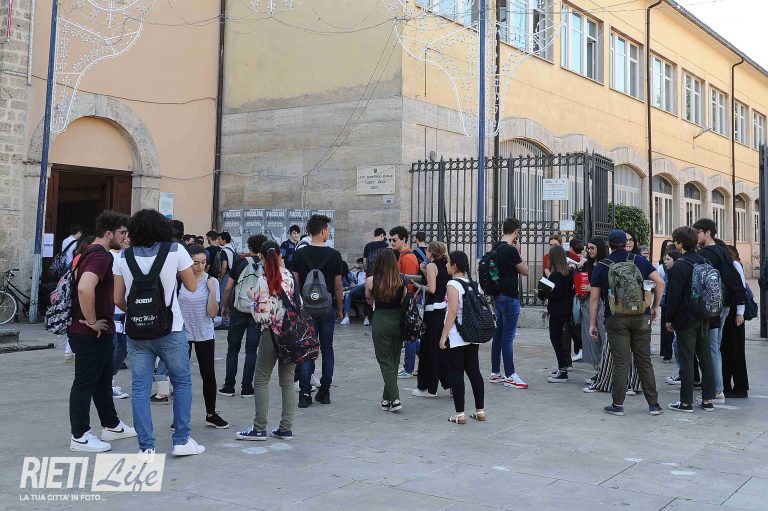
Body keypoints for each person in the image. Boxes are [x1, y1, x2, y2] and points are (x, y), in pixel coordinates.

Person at [114, 209, 205, 456]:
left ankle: (146, 447)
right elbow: (192, 286)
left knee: (140, 388)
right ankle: (181, 440)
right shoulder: (175, 251)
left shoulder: (123, 256)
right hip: (170, 329)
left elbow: (118, 299)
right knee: (182, 382)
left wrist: (138, 311)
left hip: (136, 331)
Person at [67, 212, 136, 452]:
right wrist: (91, 321)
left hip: (97, 332)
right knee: (85, 383)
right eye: (122, 233)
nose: (125, 237)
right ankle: (79, 436)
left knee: (103, 381)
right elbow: (85, 288)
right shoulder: (101, 256)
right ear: (109, 233)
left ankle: (111, 425)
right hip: (90, 333)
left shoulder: (88, 252)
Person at [589, 229, 664, 417]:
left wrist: (593, 324)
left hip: (616, 318)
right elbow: (660, 282)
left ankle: (618, 405)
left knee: (621, 362)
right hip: (641, 316)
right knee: (644, 361)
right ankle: (654, 404)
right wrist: (655, 306)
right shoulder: (639, 260)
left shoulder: (602, 265)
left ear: (609, 245)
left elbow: (594, 298)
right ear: (626, 243)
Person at [236, 241, 297, 441]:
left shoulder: (263, 280)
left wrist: (252, 300)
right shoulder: (288, 276)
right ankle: (286, 428)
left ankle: (259, 428)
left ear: (261, 257)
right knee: (287, 382)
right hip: (290, 333)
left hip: (271, 333)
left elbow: (261, 316)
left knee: (261, 379)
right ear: (279, 255)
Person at [292, 214, 344, 408]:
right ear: (323, 231)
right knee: (327, 349)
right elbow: (338, 285)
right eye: (327, 230)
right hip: (327, 308)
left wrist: (297, 307)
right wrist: (340, 309)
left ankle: (305, 393)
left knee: (307, 349)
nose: (328, 232)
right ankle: (325, 391)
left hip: (305, 309)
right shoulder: (334, 255)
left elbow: (295, 283)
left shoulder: (299, 254)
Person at [692, 218, 746, 404]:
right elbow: (736, 281)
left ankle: (716, 390)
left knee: (711, 348)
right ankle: (717, 388)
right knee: (715, 347)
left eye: (697, 232)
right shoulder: (723, 251)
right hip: (724, 306)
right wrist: (739, 309)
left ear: (708, 233)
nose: (695, 235)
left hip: (711, 308)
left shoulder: (705, 254)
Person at [665, 226, 716, 412]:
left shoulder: (679, 265)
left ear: (680, 243)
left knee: (687, 359)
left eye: (675, 241)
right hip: (704, 315)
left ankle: (686, 402)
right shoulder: (704, 260)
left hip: (686, 318)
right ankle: (708, 400)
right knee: (705, 358)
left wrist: (670, 319)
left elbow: (674, 296)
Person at [178, 244, 228, 428]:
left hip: (204, 333)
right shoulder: (179, 280)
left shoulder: (211, 281)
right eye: (195, 263)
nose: (200, 266)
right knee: (181, 377)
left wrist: (212, 290)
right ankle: (180, 417)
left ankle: (211, 414)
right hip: (182, 334)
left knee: (208, 375)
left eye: (203, 262)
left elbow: (212, 313)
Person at [439, 250, 486, 424]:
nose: (446, 265)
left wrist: (443, 335)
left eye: (448, 262)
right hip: (472, 333)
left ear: (454, 266)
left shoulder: (453, 284)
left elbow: (452, 312)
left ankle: (459, 414)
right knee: (474, 371)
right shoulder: (472, 284)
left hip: (457, 335)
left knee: (457, 373)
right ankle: (480, 411)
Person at [219, 234, 267, 398]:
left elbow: (228, 288)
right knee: (251, 351)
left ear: (249, 247)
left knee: (233, 349)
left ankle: (229, 386)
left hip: (238, 310)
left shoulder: (240, 262)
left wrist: (225, 306)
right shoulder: (266, 265)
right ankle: (247, 387)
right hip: (256, 311)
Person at [490, 218, 529, 389]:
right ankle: (510, 375)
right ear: (516, 232)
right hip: (509, 297)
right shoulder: (510, 250)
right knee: (508, 337)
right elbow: (525, 271)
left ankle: (495, 372)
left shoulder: (496, 248)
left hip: (497, 296)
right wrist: (518, 252)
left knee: (498, 334)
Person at [365, 249, 406, 412]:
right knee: (394, 360)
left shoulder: (371, 281)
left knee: (384, 360)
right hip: (398, 321)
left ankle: (395, 399)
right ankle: (386, 399)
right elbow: (403, 301)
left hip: (381, 320)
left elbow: (369, 301)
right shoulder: (401, 280)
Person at [413, 241, 450, 398]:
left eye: (427, 250)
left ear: (431, 252)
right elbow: (440, 283)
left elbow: (432, 289)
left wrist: (418, 286)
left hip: (432, 311)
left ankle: (428, 387)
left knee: (428, 350)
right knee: (440, 348)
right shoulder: (446, 266)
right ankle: (451, 382)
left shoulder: (432, 266)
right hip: (442, 310)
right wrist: (424, 270)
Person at [539, 245, 574, 383]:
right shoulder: (568, 273)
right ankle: (562, 367)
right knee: (560, 339)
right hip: (566, 310)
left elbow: (555, 295)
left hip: (557, 311)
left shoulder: (555, 275)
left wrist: (541, 292)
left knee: (555, 339)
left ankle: (562, 370)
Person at [389, 226, 420, 378]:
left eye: (394, 240)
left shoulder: (408, 257)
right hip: (405, 299)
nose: (391, 243)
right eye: (390, 240)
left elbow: (408, 284)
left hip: (407, 300)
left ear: (403, 239)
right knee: (411, 335)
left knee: (409, 335)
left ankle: (408, 368)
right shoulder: (402, 255)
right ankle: (425, 361)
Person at [722, 245, 749, 398]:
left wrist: (740, 312)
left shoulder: (735, 265)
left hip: (735, 312)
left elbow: (741, 289)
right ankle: (725, 385)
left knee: (736, 349)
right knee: (726, 349)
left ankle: (740, 387)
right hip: (727, 310)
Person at [63, 235, 95, 362]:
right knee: (80, 323)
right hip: (80, 295)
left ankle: (69, 352)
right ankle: (75, 353)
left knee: (74, 324)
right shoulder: (84, 258)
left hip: (75, 295)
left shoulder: (77, 257)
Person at [577, 237, 607, 370]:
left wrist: (592, 288)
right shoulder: (586, 264)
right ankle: (596, 366)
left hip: (601, 303)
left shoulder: (605, 264)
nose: (589, 251)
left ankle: (604, 366)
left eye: (592, 248)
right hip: (587, 303)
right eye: (588, 248)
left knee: (603, 334)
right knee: (590, 337)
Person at [110, 233, 130, 399]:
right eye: (123, 235)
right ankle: (107, 382)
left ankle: (106, 381)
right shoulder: (114, 257)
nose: (126, 239)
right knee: (119, 349)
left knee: (121, 349)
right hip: (117, 311)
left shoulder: (127, 256)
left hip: (122, 310)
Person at [659, 247, 681, 364]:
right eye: (665, 259)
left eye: (668, 259)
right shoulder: (666, 274)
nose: (665, 261)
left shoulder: (677, 274)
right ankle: (667, 354)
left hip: (676, 310)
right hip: (666, 306)